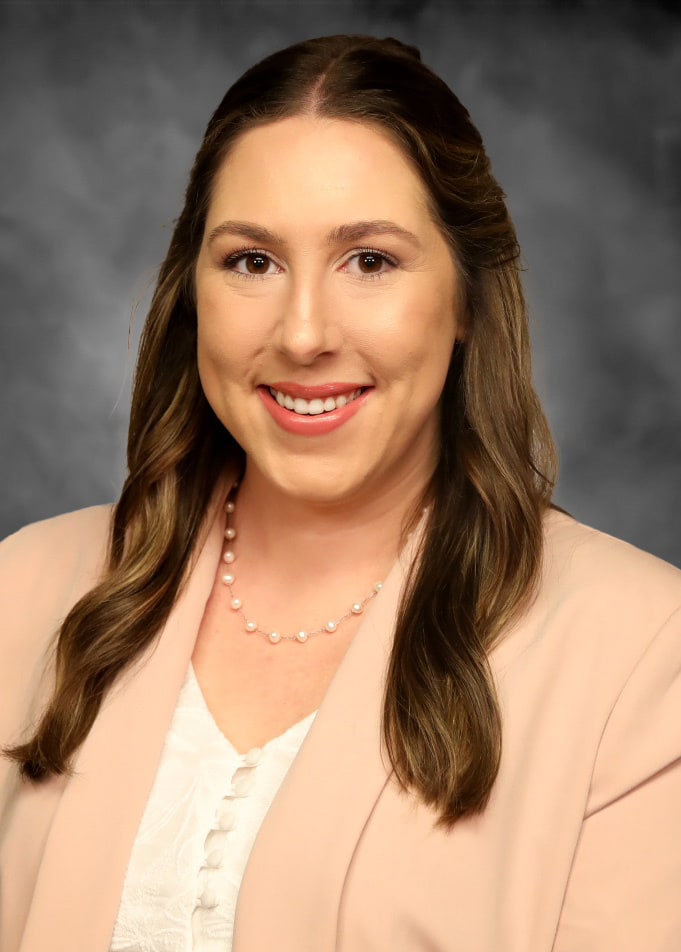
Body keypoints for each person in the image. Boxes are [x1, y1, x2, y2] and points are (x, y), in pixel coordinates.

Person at [1, 33, 680, 952]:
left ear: (468, 298)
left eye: (369, 260)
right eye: (253, 261)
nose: (303, 334)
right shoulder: (23, 590)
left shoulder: (644, 656)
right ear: (191, 290)